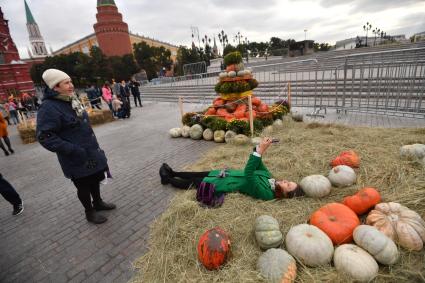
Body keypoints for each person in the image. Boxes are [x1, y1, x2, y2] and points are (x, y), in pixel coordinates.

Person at [36, 69, 116, 224]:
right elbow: (45, 136)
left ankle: (98, 202)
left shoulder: (70, 99)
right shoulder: (49, 107)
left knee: (94, 178)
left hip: (90, 151)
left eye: (70, 81)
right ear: (55, 87)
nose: (71, 85)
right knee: (83, 186)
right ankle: (89, 212)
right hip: (75, 156)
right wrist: (72, 150)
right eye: (66, 83)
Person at [159, 137, 305, 201]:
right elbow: (258, 165)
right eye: (289, 181)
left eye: (288, 185)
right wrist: (260, 148)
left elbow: (249, 174)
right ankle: (174, 172)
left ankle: (168, 179)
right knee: (197, 173)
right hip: (226, 174)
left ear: (286, 195)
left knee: (193, 183)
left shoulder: (267, 194)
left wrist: (259, 153)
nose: (285, 181)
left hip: (224, 184)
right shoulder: (270, 178)